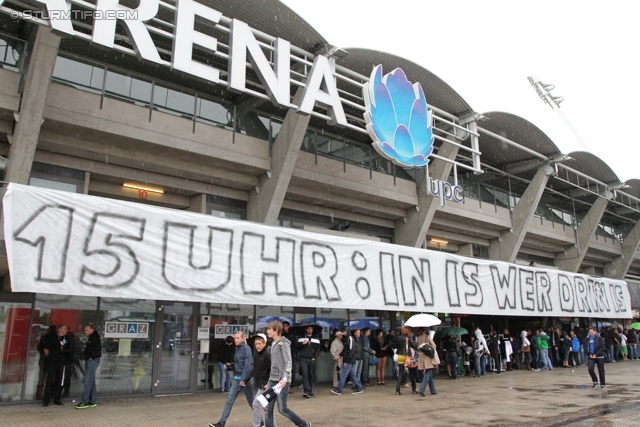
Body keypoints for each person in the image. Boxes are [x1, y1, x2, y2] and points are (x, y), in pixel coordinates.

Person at [264, 321, 311, 427]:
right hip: (273, 380)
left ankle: (303, 424)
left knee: (282, 409)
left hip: (282, 382)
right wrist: (268, 382)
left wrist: (284, 378)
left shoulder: (283, 343)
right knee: (268, 408)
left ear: (276, 330)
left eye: (269, 329)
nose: (267, 331)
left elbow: (288, 361)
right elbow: (273, 365)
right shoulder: (273, 344)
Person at [209, 332, 255, 427]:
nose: (235, 340)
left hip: (246, 380)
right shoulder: (237, 349)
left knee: (251, 402)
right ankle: (221, 423)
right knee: (229, 401)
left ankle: (261, 422)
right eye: (235, 338)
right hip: (236, 379)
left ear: (242, 339)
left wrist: (244, 379)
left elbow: (248, 365)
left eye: (238, 338)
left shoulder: (247, 349)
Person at [249, 334, 277, 427]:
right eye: (256, 344)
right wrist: (246, 379)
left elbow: (272, 371)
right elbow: (255, 369)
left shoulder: (267, 355)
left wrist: (268, 384)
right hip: (261, 385)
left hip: (266, 386)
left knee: (258, 404)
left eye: (259, 344)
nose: (257, 346)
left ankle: (257, 425)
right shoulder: (257, 355)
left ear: (264, 344)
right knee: (266, 407)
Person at [42, 324, 70, 407]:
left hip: (61, 363)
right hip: (52, 362)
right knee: (50, 380)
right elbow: (46, 350)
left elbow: (68, 349)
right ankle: (46, 399)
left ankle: (57, 399)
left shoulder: (66, 339)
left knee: (60, 381)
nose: (66, 330)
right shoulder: (52, 337)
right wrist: (51, 358)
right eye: (65, 329)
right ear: (60, 329)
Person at [75, 324, 101, 409]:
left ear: (91, 329)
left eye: (87, 330)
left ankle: (84, 401)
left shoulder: (94, 337)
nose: (85, 331)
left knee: (88, 381)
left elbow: (97, 351)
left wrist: (91, 357)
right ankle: (92, 400)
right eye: (85, 330)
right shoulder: (90, 337)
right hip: (90, 360)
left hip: (92, 361)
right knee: (91, 381)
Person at [332, 326, 364, 396]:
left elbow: (351, 351)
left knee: (343, 375)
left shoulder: (350, 338)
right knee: (353, 375)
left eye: (344, 331)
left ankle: (339, 390)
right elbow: (345, 350)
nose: (343, 332)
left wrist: (346, 361)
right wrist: (340, 355)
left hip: (349, 361)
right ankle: (359, 388)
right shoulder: (347, 339)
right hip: (349, 360)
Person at [297, 325, 320, 398]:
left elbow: (318, 349)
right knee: (305, 375)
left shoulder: (316, 339)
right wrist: (302, 344)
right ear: (306, 330)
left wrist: (314, 357)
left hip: (311, 359)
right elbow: (297, 347)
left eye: (311, 329)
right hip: (303, 358)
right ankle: (306, 391)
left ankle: (310, 391)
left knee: (311, 375)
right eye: (308, 329)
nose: (310, 330)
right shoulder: (301, 338)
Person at [416, 329, 438, 396]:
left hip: (421, 355)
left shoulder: (418, 337)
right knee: (427, 372)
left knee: (429, 372)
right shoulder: (428, 337)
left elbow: (417, 347)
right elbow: (434, 345)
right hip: (427, 356)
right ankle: (421, 390)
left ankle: (433, 390)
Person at [394, 327, 412, 394]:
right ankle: (412, 386)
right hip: (407, 356)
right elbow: (412, 345)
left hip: (400, 356)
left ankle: (397, 389)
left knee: (401, 372)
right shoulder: (408, 338)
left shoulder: (399, 338)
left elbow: (396, 346)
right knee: (410, 371)